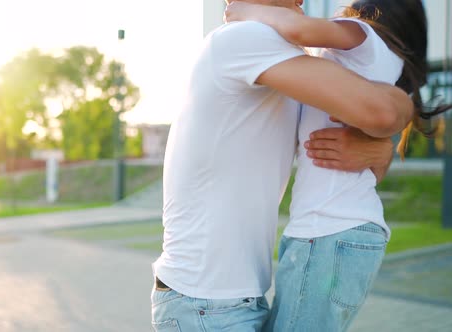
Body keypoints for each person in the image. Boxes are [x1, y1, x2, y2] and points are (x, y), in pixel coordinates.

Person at [150, 0, 414, 330]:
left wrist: (380, 150)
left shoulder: (280, 61)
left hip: (228, 298)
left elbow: (364, 125)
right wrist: (399, 110)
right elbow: (385, 113)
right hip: (206, 303)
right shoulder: (243, 38)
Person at [225, 0, 452, 331]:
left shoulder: (365, 37)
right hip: (339, 230)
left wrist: (243, 11)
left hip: (328, 231)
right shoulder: (386, 65)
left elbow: (300, 29)